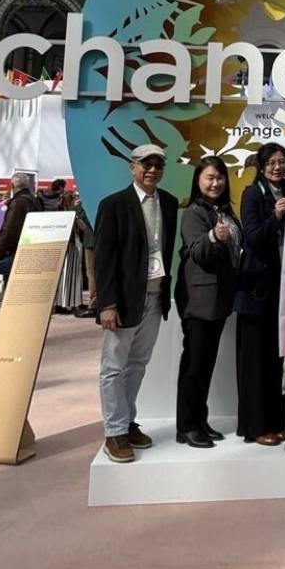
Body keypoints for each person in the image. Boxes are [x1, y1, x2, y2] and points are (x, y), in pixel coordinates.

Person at [95, 144, 178, 464]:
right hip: (124, 299)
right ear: (133, 167)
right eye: (146, 164)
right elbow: (104, 259)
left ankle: (127, 423)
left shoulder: (168, 203)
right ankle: (114, 431)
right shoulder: (114, 205)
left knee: (138, 363)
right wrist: (107, 303)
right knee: (113, 367)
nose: (152, 170)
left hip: (156, 295)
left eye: (158, 164)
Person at [175, 156, 241, 449]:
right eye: (209, 178)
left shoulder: (223, 209)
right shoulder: (194, 213)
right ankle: (187, 426)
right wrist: (214, 236)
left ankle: (199, 420)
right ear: (199, 181)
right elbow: (198, 251)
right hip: (199, 300)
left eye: (220, 178)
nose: (215, 183)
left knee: (205, 364)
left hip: (218, 299)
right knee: (194, 365)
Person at [237, 142, 285, 445]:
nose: (277, 167)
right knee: (256, 363)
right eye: (271, 162)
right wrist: (275, 217)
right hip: (257, 293)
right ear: (261, 166)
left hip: (284, 291)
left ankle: (276, 421)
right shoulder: (252, 194)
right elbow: (253, 238)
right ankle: (257, 426)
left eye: (281, 161)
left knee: (278, 361)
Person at [0, 171, 39, 277]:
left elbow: (8, 233)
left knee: (1, 266)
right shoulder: (34, 202)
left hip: (16, 253)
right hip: (32, 252)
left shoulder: (18, 203)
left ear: (12, 186)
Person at [54, 190, 83, 313]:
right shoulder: (70, 214)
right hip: (70, 247)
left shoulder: (61, 213)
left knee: (65, 275)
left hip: (65, 246)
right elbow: (82, 228)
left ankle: (66, 303)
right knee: (69, 275)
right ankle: (66, 303)